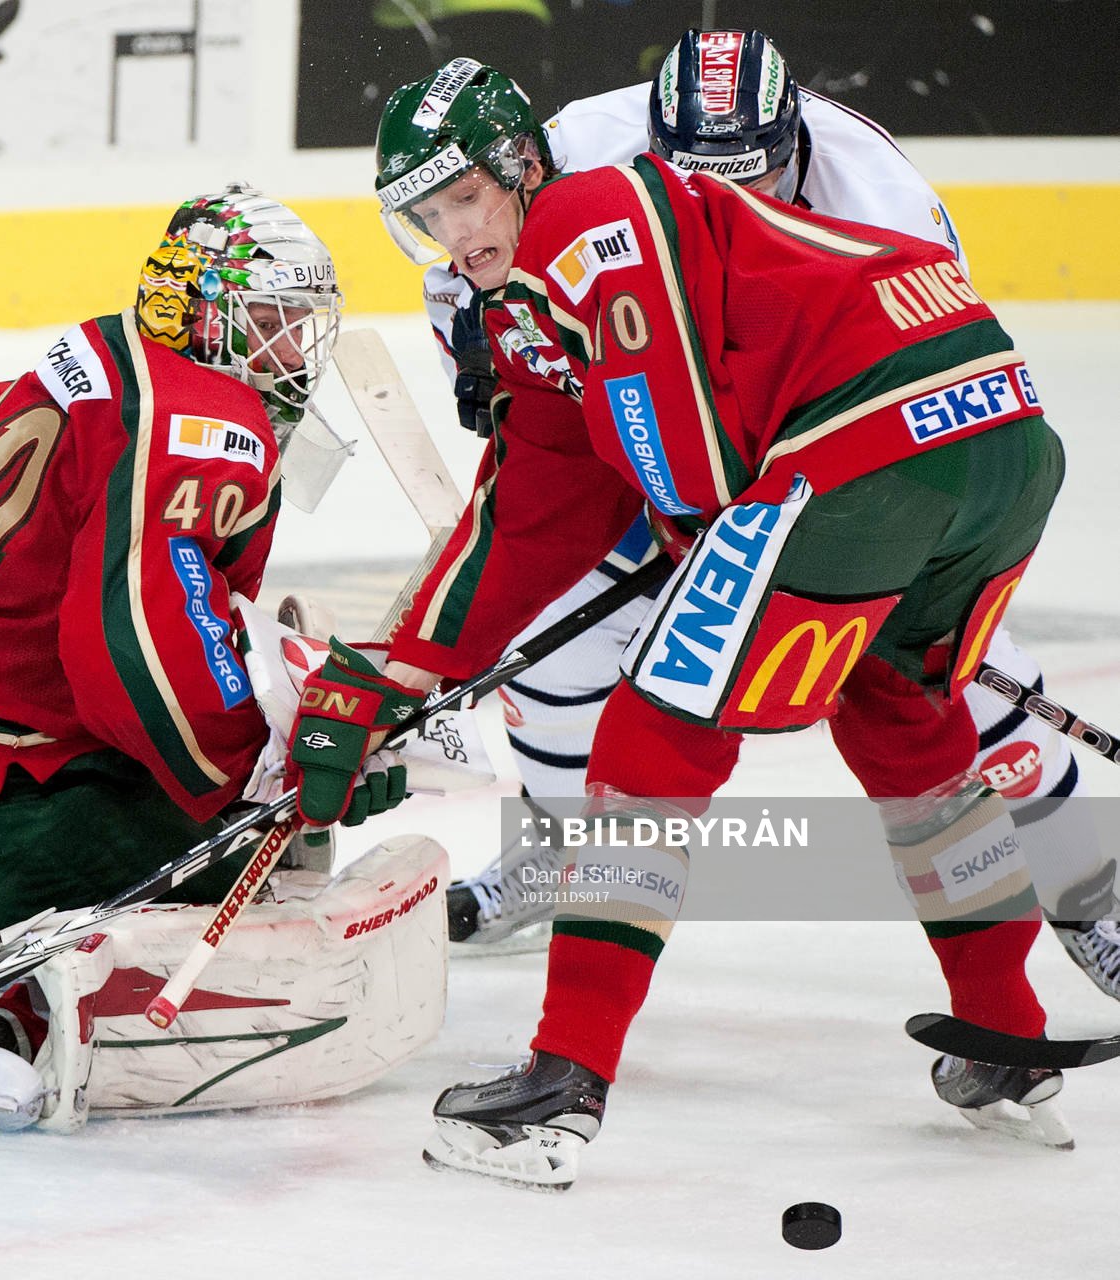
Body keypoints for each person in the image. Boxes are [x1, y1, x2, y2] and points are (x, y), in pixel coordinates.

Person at [289, 60, 1074, 1187]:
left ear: (519, 166)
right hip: (996, 427)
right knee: (904, 722)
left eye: (462, 198)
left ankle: (560, 1084)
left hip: (863, 442)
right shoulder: (543, 298)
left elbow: (684, 457)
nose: (451, 236)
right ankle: (1004, 1032)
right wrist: (399, 668)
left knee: (653, 735)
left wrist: (690, 547)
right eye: (423, 217)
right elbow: (532, 518)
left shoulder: (589, 210)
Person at [410, 38, 1118, 997]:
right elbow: (481, 289)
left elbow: (935, 379)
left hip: (821, 445)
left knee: (947, 674)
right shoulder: (572, 151)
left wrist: (772, 514)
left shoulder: (880, 194)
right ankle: (560, 851)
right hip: (641, 410)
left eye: (755, 177)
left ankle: (1090, 885)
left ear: (798, 144)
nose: (722, 200)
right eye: (692, 178)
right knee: (551, 633)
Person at [0, 184, 447, 1132]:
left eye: (297, 327)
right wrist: (267, 770)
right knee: (228, 821)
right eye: (267, 323)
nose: (288, 355)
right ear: (202, 310)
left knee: (190, 741)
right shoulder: (208, 421)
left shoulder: (100, 352)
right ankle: (18, 1002)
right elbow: (132, 654)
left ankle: (14, 933)